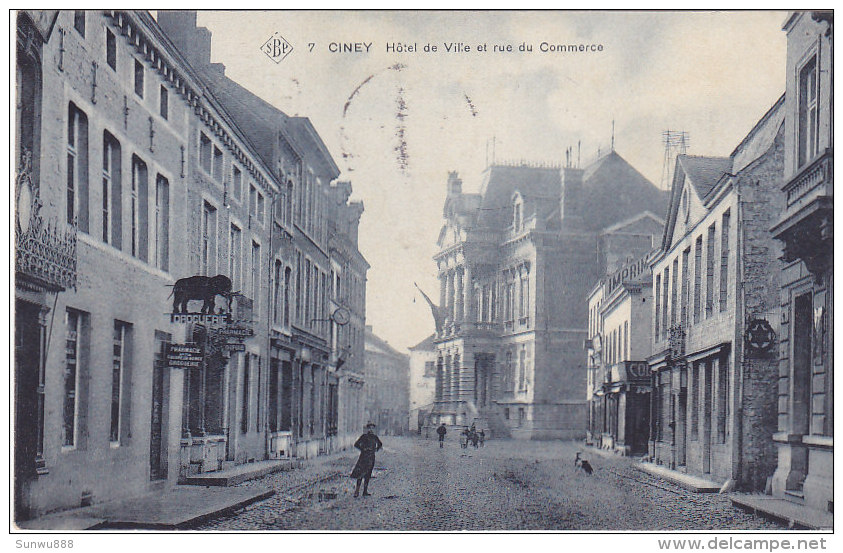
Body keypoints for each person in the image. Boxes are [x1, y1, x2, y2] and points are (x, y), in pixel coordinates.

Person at [350, 422, 382, 497]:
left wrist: (376, 449)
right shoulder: (364, 436)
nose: (371, 429)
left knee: (368, 474)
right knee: (360, 473)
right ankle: (357, 491)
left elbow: (380, 444)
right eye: (369, 428)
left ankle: (365, 491)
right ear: (367, 429)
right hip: (363, 457)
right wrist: (363, 449)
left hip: (371, 458)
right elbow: (356, 444)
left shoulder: (375, 437)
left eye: (372, 428)